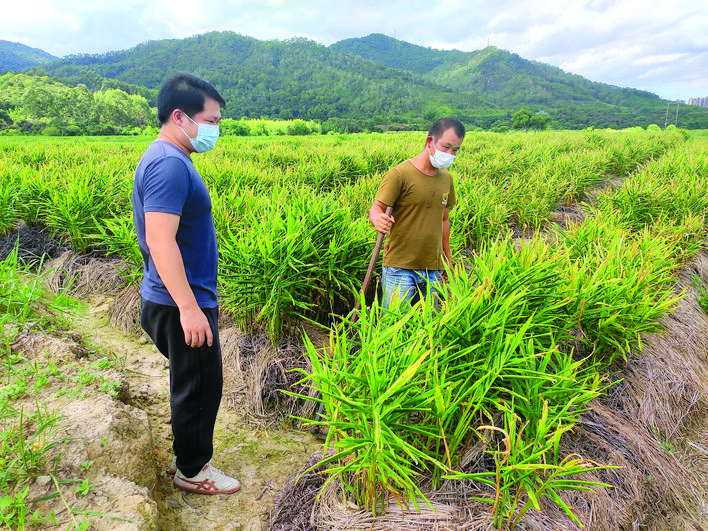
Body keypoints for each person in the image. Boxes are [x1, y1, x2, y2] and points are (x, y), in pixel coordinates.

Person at [132, 72, 240, 495]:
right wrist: (190, 308)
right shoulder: (168, 164)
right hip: (181, 302)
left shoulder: (172, 158)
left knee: (193, 381)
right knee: (198, 386)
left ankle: (191, 460)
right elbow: (160, 239)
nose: (215, 129)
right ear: (180, 116)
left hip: (177, 297)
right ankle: (192, 471)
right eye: (210, 120)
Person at [369, 117, 466, 309]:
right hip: (400, 266)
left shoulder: (446, 178)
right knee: (394, 328)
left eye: (455, 150)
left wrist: (447, 259)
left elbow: (444, 220)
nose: (449, 154)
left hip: (433, 269)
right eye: (446, 147)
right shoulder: (400, 174)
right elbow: (376, 207)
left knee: (426, 328)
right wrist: (377, 219)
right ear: (430, 141)